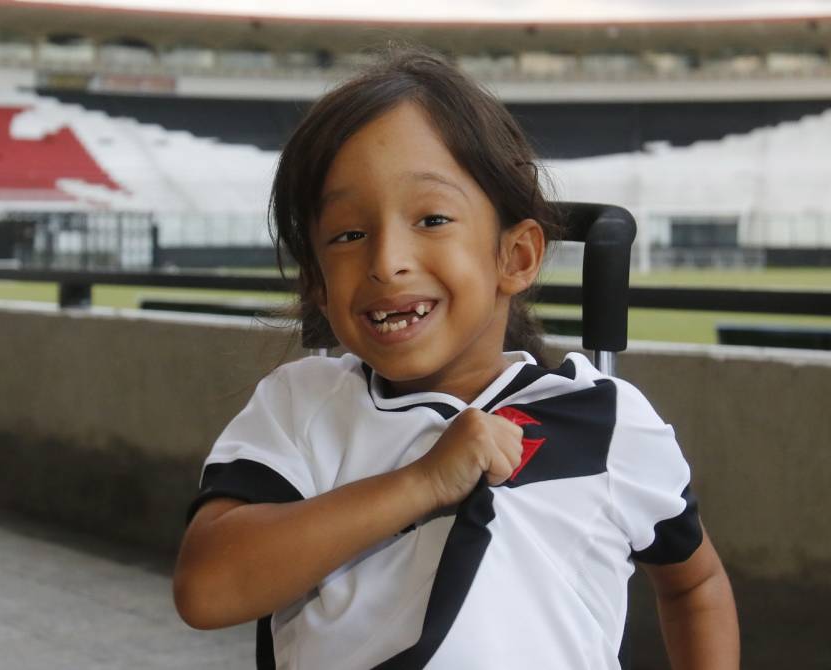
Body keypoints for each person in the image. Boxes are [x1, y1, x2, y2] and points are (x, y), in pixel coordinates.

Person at [172, 49, 739, 669]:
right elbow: (207, 589)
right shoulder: (302, 406)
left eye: (432, 219)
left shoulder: (605, 422)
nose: (387, 261)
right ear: (317, 284)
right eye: (348, 234)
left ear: (516, 258)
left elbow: (695, 584)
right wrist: (422, 483)